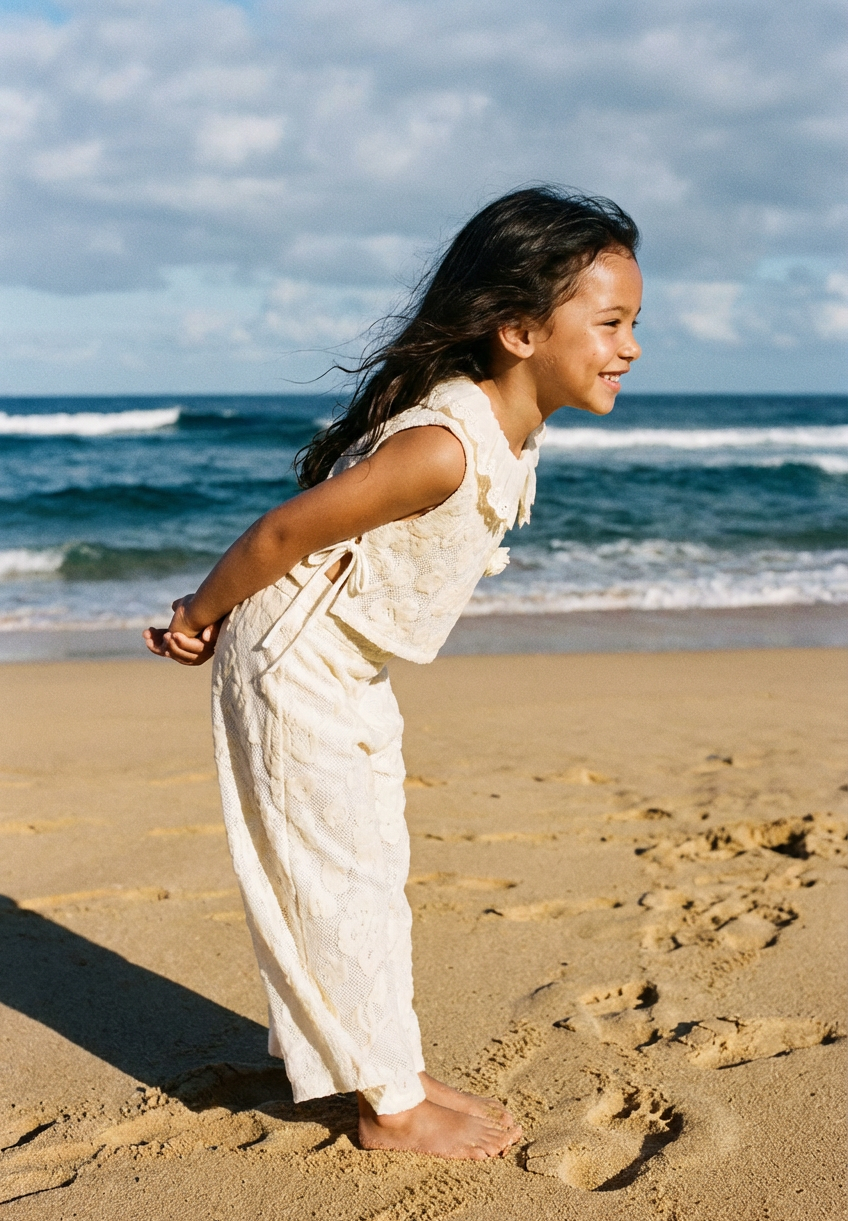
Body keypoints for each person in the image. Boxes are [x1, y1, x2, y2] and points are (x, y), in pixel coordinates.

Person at [144, 186, 642, 1160]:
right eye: (611, 321)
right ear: (517, 328)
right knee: (335, 872)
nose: (628, 346)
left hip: (351, 661)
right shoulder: (441, 449)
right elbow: (286, 531)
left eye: (633, 322)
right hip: (292, 653)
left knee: (374, 864)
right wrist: (195, 616)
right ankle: (385, 1107)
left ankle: (389, 1071)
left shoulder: (511, 427)